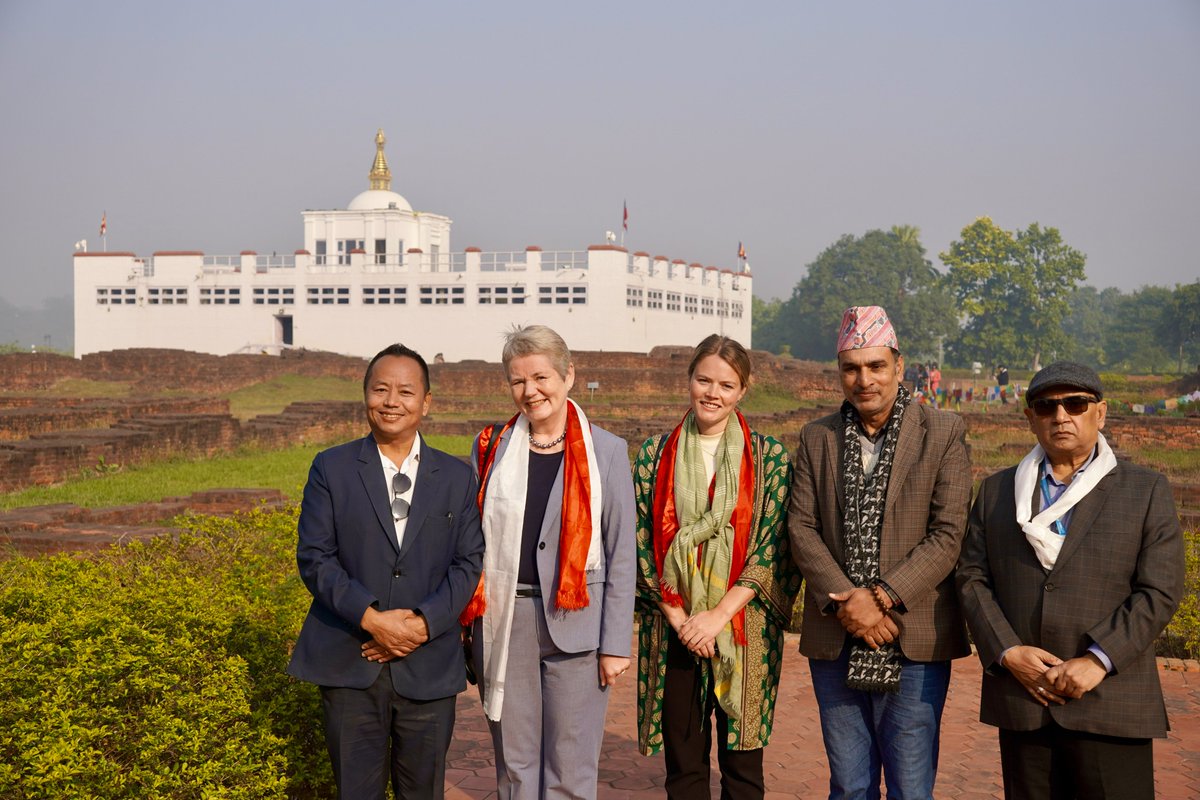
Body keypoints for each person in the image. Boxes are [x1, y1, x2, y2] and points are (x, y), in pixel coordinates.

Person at [956, 362, 1184, 800]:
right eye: (1046, 406)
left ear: (1101, 413)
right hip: (1025, 697)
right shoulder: (998, 491)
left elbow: (1160, 589)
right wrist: (1008, 652)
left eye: (1075, 404)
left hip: (1110, 698)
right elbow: (971, 577)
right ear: (1031, 418)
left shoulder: (1144, 490)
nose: (1061, 416)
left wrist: (1097, 660)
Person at [787, 305, 973, 799]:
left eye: (876, 366)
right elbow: (802, 528)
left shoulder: (942, 431)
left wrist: (882, 596)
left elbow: (948, 533)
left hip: (912, 636)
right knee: (850, 785)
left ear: (899, 365)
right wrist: (850, 604)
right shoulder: (818, 437)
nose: (864, 380)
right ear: (839, 372)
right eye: (851, 368)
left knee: (910, 787)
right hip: (838, 631)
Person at [288, 344, 485, 800]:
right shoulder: (332, 468)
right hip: (351, 659)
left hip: (428, 664)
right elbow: (315, 556)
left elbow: (468, 562)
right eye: (380, 390)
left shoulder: (455, 477)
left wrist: (421, 625)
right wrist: (373, 620)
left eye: (405, 392)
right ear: (365, 395)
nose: (391, 401)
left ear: (426, 402)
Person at [461, 324, 636, 800]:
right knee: (516, 765)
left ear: (568, 375)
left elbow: (622, 553)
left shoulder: (606, 451)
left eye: (541, 377)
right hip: (506, 619)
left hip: (578, 622)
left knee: (571, 765)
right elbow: (471, 540)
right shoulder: (491, 448)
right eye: (518, 381)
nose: (530, 391)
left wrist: (615, 644)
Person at [633, 335, 801, 799]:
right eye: (703, 380)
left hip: (742, 628)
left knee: (743, 770)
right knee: (684, 767)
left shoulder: (768, 459)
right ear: (688, 379)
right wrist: (682, 620)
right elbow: (641, 542)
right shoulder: (654, 456)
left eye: (726, 385)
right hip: (676, 628)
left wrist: (717, 616)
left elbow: (773, 547)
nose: (712, 393)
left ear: (743, 390)